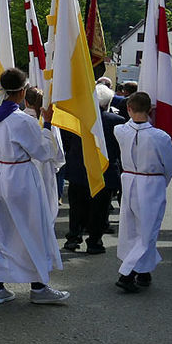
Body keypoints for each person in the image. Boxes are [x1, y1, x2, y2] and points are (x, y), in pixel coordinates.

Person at [0, 68, 70, 305]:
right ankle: (39, 286)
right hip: (20, 175)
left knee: (0, 228)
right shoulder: (22, 120)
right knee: (32, 228)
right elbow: (43, 151)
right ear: (21, 92)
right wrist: (48, 124)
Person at [113, 91, 172, 293]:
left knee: (133, 230)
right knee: (147, 232)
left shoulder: (120, 131)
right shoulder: (160, 137)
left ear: (129, 109)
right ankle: (128, 274)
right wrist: (161, 181)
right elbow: (171, 164)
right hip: (151, 183)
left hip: (130, 180)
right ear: (150, 110)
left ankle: (143, 272)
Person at [61, 84, 123, 254]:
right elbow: (120, 149)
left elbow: (67, 143)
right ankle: (94, 241)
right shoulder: (117, 122)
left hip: (78, 169)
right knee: (99, 210)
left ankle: (73, 237)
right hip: (105, 171)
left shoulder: (75, 120)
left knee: (77, 207)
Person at [24, 87, 65, 224]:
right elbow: (58, 151)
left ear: (25, 101)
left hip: (21, 168)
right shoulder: (49, 123)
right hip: (44, 168)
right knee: (45, 208)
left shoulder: (18, 119)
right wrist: (56, 166)